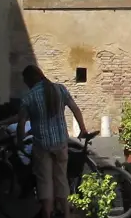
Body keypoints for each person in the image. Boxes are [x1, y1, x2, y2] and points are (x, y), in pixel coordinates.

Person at [16, 65, 87, 218]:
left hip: (42, 145)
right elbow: (75, 108)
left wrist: (20, 141)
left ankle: (47, 214)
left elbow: (21, 123)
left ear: (29, 79)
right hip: (61, 142)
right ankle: (67, 214)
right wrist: (82, 128)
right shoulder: (59, 89)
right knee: (61, 178)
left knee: (45, 181)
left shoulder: (28, 97)